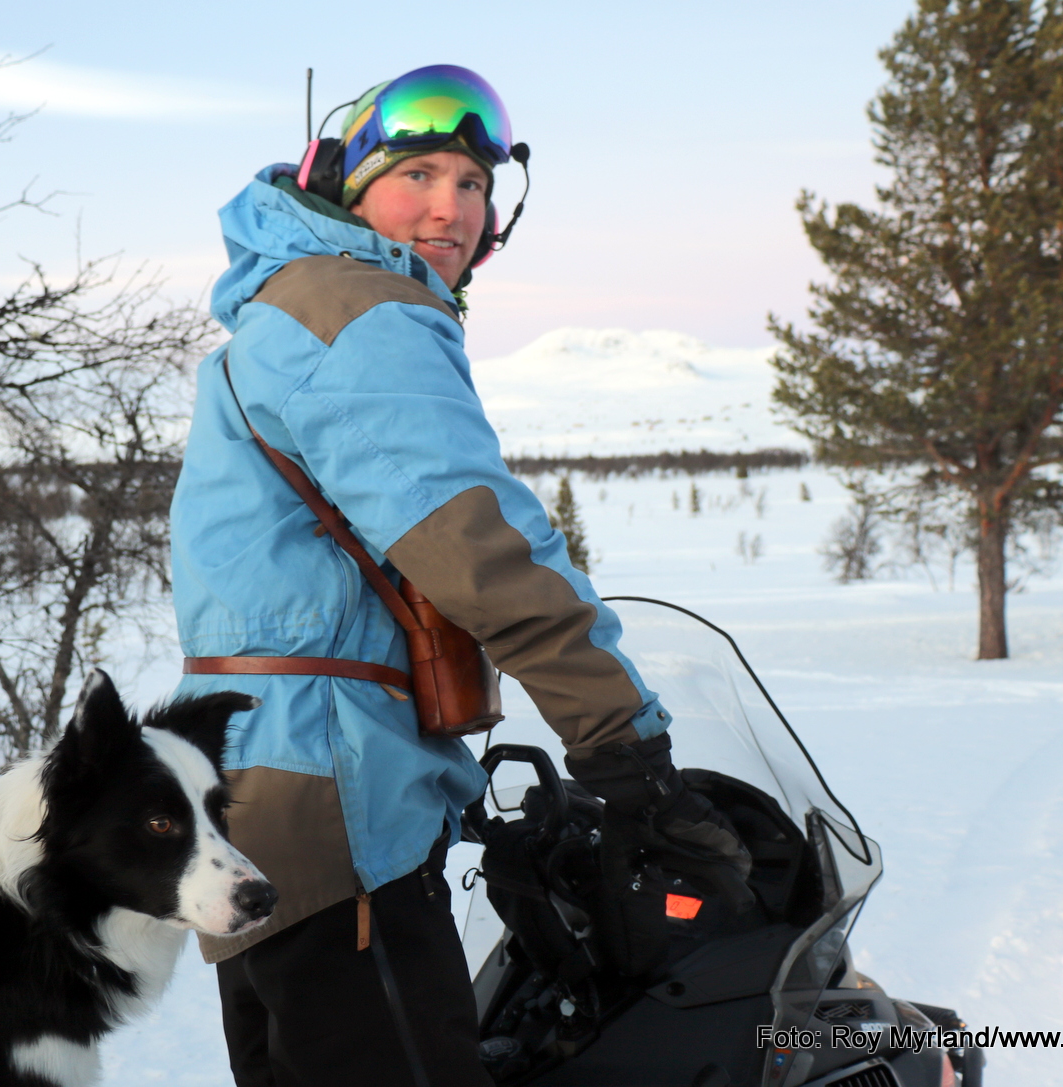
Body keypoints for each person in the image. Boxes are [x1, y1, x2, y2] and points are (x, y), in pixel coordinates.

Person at [169, 64, 752, 1087]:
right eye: (421, 172)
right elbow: (482, 552)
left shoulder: (288, 304)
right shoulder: (362, 314)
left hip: (263, 782)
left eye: (475, 184)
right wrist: (625, 749)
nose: (451, 207)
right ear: (347, 183)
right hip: (334, 797)